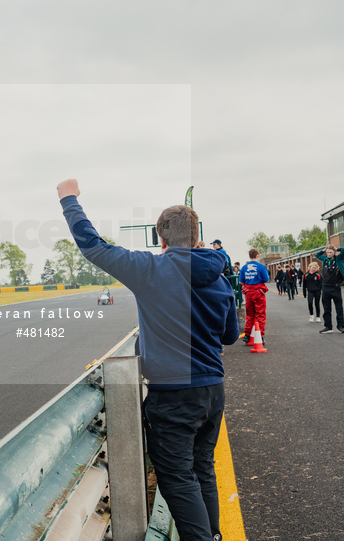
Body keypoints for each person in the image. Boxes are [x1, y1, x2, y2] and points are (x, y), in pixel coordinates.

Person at [57, 179, 238, 541]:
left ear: (162, 241)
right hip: (212, 391)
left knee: (178, 478)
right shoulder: (220, 278)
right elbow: (231, 336)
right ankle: (213, 536)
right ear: (198, 239)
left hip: (173, 397)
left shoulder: (150, 269)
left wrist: (69, 200)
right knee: (203, 469)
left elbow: (93, 246)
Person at [314, 244, 344, 334]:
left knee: (339, 308)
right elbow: (317, 255)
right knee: (326, 308)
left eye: (331, 252)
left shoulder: (339, 258)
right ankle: (328, 327)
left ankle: (340, 326)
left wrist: (337, 249)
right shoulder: (324, 259)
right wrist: (323, 250)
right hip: (325, 286)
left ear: (334, 252)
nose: (329, 254)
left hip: (335, 286)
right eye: (328, 252)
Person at [240, 249, 270, 343]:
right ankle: (260, 335)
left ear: (249, 256)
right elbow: (266, 280)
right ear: (257, 255)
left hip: (248, 292)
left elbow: (241, 281)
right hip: (258, 292)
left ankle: (247, 335)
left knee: (249, 314)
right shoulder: (261, 266)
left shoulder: (244, 267)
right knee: (260, 314)